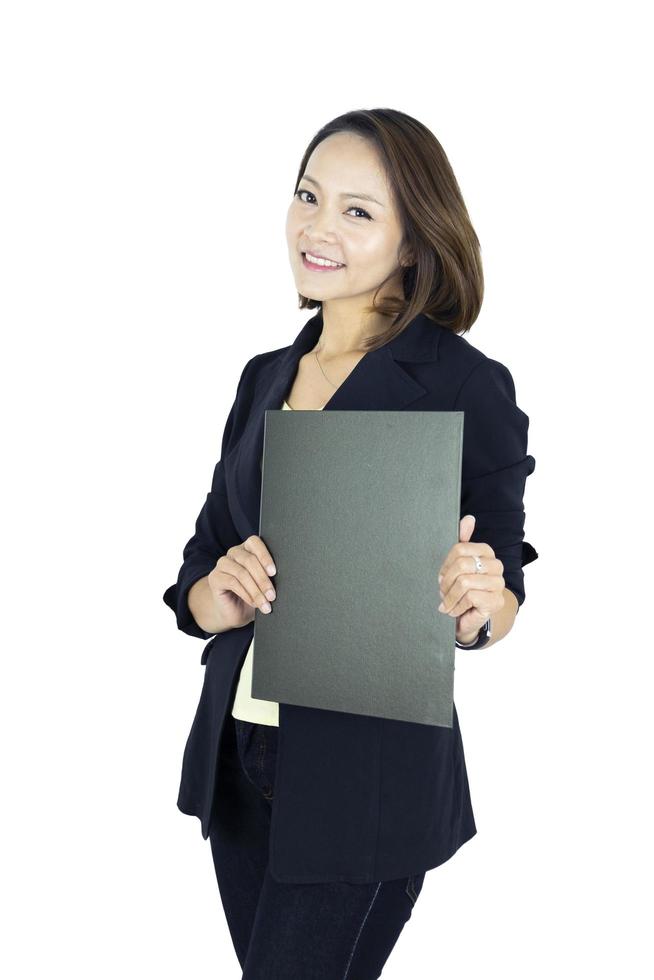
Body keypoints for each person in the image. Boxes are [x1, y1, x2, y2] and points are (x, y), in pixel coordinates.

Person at [163, 108, 539, 978]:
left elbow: (501, 584)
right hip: (242, 756)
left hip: (365, 781)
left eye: (358, 211)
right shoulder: (264, 377)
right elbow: (201, 560)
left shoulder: (463, 384)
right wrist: (210, 597)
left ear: (413, 243)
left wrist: (483, 605)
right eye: (308, 196)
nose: (317, 227)